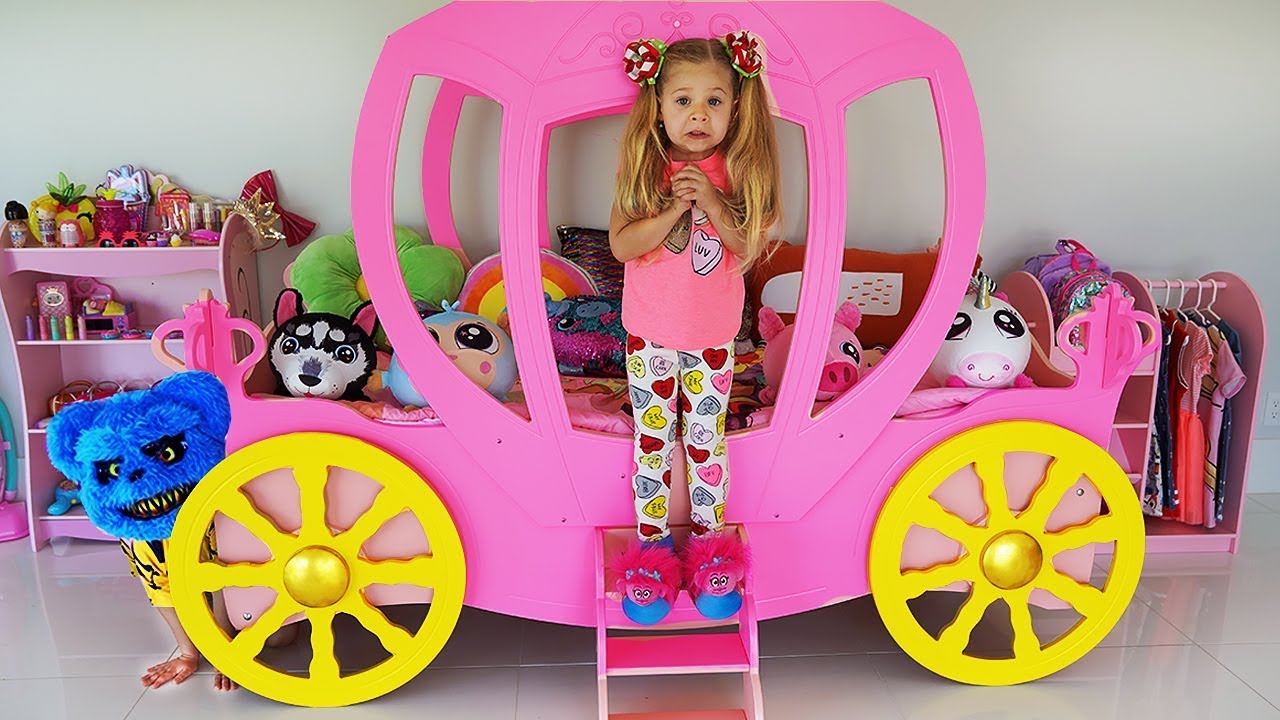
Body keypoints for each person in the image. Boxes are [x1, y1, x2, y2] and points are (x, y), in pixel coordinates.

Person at [607, 32, 781, 624]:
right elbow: (622, 245)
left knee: (706, 443)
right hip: (649, 336)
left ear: (735, 108)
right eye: (683, 100)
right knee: (653, 444)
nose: (698, 114)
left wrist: (708, 197)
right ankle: (652, 557)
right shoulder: (643, 168)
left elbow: (746, 247)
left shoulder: (740, 170)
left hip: (712, 339)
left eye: (713, 100)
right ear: (658, 106)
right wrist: (674, 208)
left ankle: (710, 555)